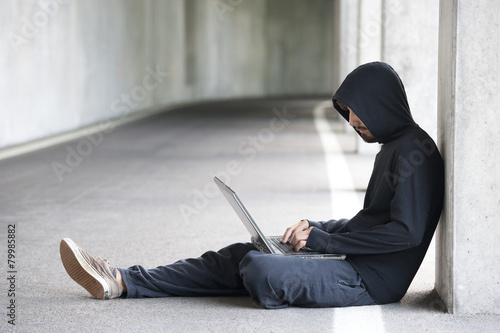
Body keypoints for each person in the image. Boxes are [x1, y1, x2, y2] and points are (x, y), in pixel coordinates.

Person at [60, 62, 444, 309]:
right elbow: (371, 221)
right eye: (348, 113)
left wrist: (326, 243)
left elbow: (405, 234)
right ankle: (123, 280)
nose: (352, 121)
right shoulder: (394, 147)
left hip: (370, 282)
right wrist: (317, 228)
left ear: (380, 103)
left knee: (260, 268)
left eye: (356, 111)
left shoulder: (416, 153)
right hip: (351, 261)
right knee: (242, 253)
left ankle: (262, 273)